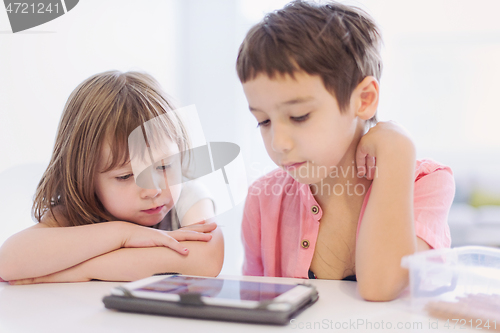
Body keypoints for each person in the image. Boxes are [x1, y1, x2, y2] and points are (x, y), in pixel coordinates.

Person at [236, 0, 454, 301]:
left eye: (299, 116)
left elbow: (381, 286)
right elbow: (254, 306)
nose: (278, 142)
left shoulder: (426, 184)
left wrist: (398, 151)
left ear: (363, 100)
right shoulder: (263, 199)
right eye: (263, 121)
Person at [0, 71, 224, 284]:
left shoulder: (189, 196)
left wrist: (82, 270)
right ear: (86, 179)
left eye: (164, 166)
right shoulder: (81, 210)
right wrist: (123, 234)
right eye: (126, 176)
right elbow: (8, 262)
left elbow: (208, 258)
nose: (153, 189)